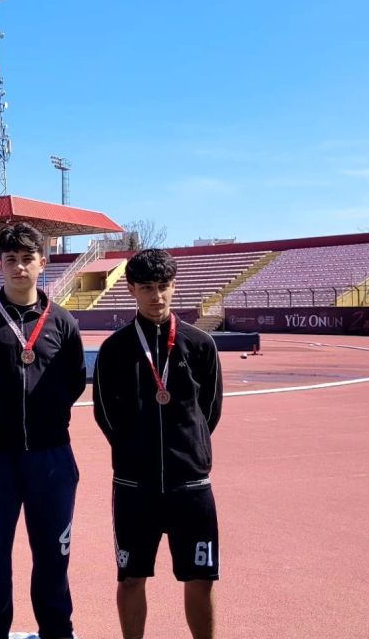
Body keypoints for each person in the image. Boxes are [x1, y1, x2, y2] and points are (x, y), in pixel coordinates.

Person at [0, 223, 87, 639]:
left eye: (28, 259)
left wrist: (49, 416)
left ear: (42, 263)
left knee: (53, 554)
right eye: (11, 259)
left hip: (51, 456)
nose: (19, 267)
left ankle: (57, 631)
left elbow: (74, 380)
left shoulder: (62, 322)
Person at [92, 249, 223, 639]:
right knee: (131, 577)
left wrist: (189, 449)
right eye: (147, 287)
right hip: (135, 486)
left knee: (201, 578)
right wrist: (134, 451)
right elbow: (105, 413)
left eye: (163, 286)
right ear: (131, 289)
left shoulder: (200, 344)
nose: (157, 296)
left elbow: (210, 410)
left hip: (191, 486)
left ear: (174, 286)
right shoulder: (114, 349)